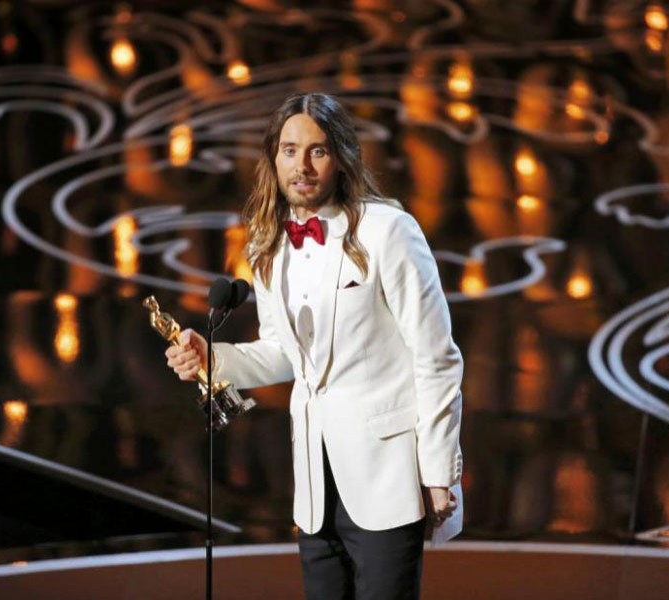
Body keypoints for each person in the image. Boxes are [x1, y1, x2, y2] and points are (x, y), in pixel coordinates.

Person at [165, 92, 463, 600]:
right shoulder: (266, 243)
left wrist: (439, 472)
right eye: (289, 150)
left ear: (341, 157)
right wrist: (215, 359)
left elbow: (436, 358)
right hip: (314, 489)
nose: (301, 165)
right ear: (273, 158)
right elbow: (285, 352)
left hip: (388, 480)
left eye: (317, 151)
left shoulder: (389, 231)